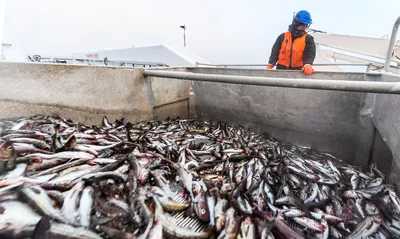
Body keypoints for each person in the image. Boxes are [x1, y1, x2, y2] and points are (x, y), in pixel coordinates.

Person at [266, 10, 316, 75]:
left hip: (299, 73)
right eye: (303, 24)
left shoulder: (308, 39)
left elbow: (310, 54)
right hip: (281, 72)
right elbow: (275, 52)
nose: (304, 27)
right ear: (296, 23)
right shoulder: (283, 37)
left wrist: (308, 64)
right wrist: (270, 65)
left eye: (306, 25)